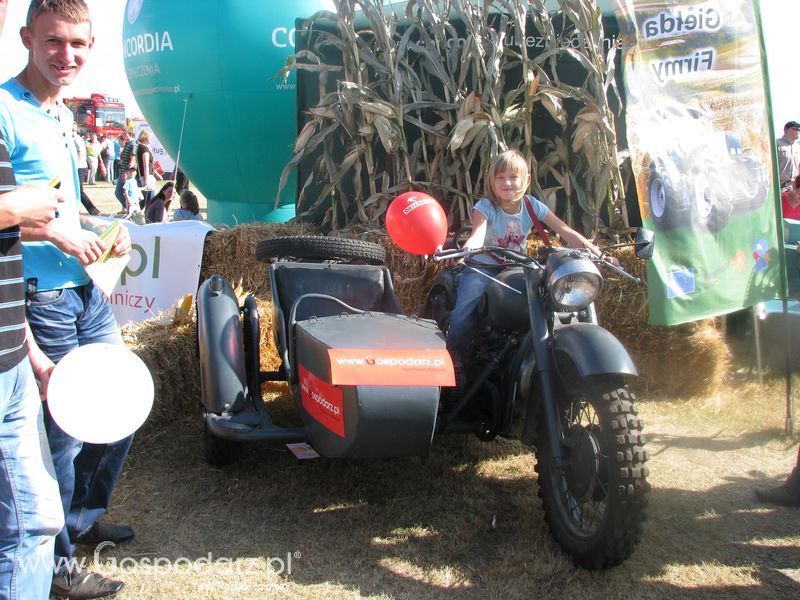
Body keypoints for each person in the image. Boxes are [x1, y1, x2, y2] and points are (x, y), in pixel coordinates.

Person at [0, 1, 135, 597]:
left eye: (78, 45)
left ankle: (80, 519)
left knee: (121, 406)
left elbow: (61, 205)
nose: (67, 56)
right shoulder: (5, 110)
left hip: (85, 290)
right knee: (62, 432)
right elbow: (16, 213)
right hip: (37, 297)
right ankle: (56, 564)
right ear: (27, 37)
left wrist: (107, 233)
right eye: (54, 42)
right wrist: (50, 231)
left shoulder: (60, 114)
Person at [445, 149, 601, 367]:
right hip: (485, 266)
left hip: (520, 268)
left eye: (513, 177)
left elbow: (565, 231)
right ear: (492, 180)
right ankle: (455, 361)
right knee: (463, 311)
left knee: (552, 300)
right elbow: (477, 237)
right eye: (500, 177)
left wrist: (598, 254)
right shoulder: (486, 206)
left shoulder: (532, 205)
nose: (506, 182)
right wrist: (463, 254)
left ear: (526, 180)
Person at [135, 129, 157, 207]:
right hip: (146, 176)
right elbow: (146, 165)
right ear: (145, 138)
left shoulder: (141, 148)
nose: (151, 139)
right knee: (148, 198)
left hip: (144, 175)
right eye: (150, 138)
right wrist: (147, 180)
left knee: (145, 199)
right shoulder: (144, 149)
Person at [776, 121, 800, 190]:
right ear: (786, 130)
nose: (798, 131)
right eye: (796, 128)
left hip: (795, 188)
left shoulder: (798, 147)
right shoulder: (776, 144)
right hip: (779, 188)